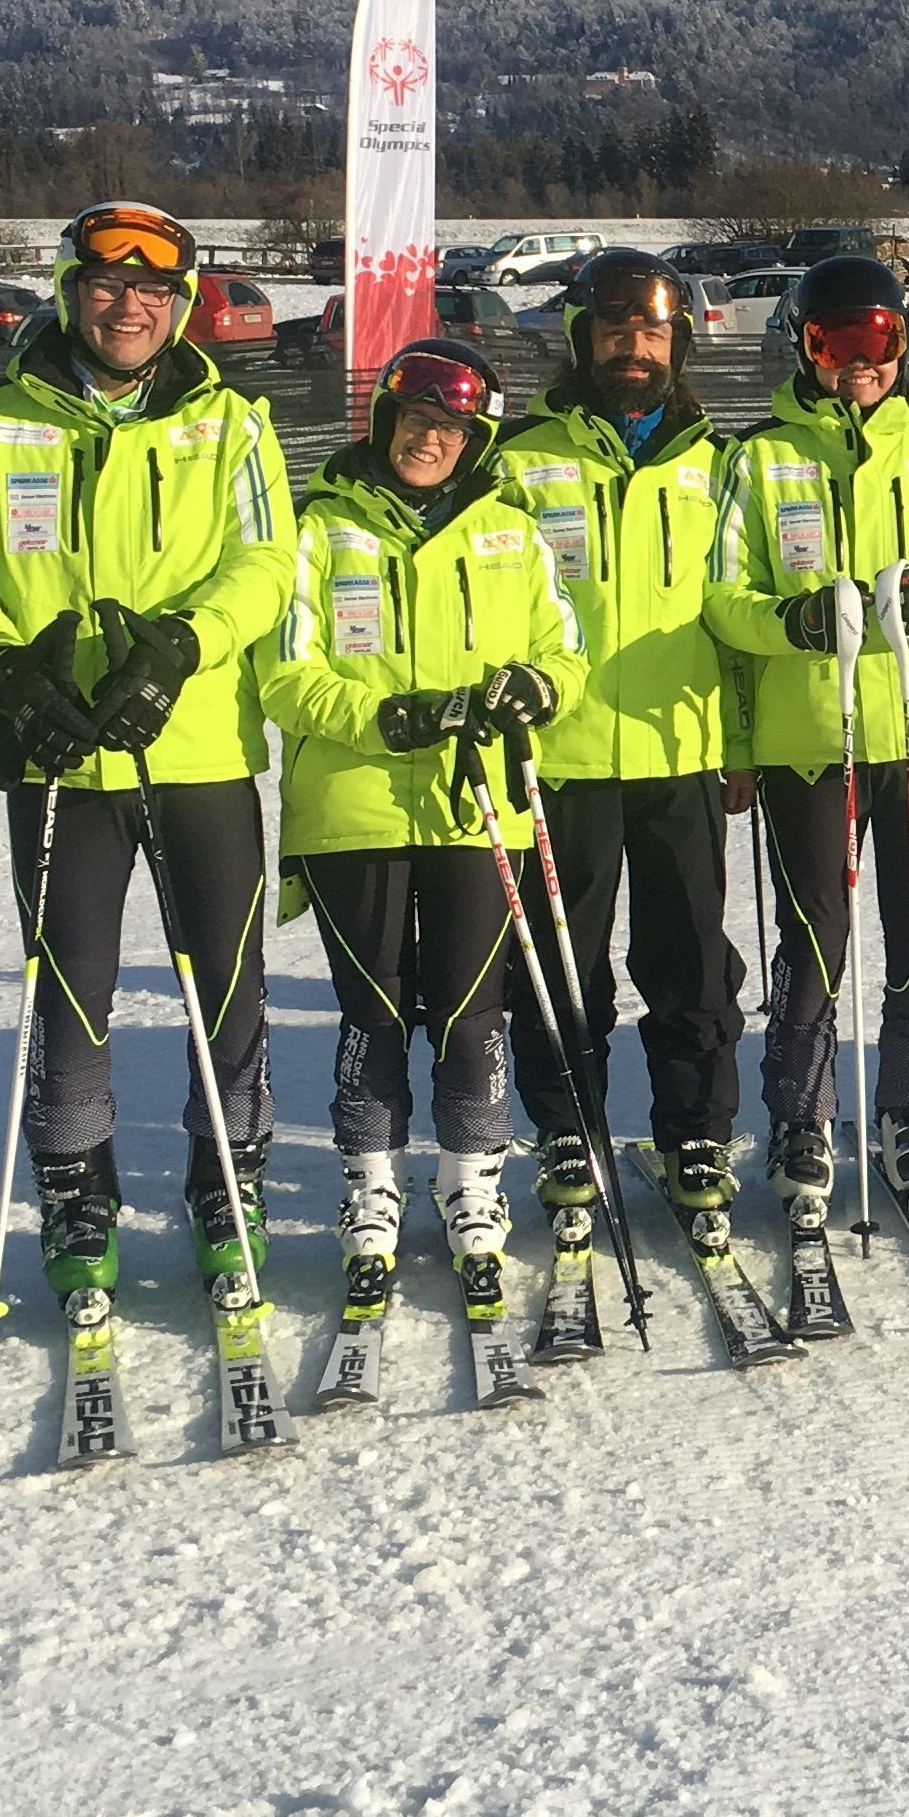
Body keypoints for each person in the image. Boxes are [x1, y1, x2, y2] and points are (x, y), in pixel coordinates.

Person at [0, 202, 294, 1295]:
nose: (129, 306)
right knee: (70, 981)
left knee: (226, 982)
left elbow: (265, 567)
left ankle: (231, 1176)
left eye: (153, 292)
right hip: (58, 751)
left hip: (199, 748)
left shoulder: (233, 425)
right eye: (106, 284)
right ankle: (78, 1186)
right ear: (70, 289)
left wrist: (182, 646)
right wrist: (6, 664)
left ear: (177, 310)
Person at [261, 340, 583, 1282]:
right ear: (383, 420)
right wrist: (382, 718)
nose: (428, 440)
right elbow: (283, 674)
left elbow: (566, 653)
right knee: (372, 1007)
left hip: (477, 809)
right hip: (350, 809)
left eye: (450, 428)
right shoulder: (319, 530)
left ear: (476, 440)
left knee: (472, 1009)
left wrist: (536, 688)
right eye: (414, 421)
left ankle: (470, 1177)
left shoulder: (511, 534)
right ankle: (371, 1181)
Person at [705, 253, 909, 1228]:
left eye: (876, 341)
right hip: (811, 740)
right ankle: (801, 1115)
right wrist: (789, 625)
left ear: (902, 342)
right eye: (837, 342)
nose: (858, 362)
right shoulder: (756, 459)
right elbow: (721, 600)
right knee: (815, 940)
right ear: (804, 345)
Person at [489, 250, 743, 1214]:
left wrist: (746, 745)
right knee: (562, 965)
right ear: (579, 339)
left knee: (690, 964)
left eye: (652, 332)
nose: (633, 348)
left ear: (677, 343)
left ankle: (697, 1135)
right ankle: (568, 1130)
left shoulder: (715, 461)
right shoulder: (517, 461)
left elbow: (737, 608)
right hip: (560, 758)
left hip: (685, 750)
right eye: (613, 329)